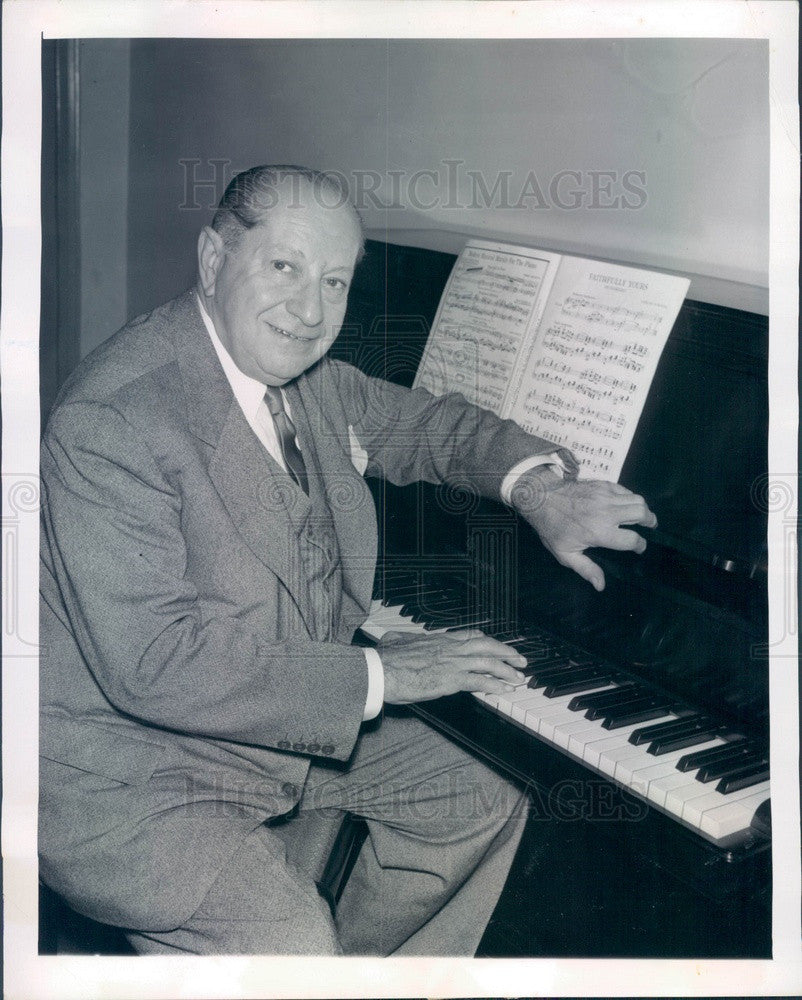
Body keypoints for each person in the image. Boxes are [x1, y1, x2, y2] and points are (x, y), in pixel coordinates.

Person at [39, 165, 657, 956]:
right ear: (211, 259)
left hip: (268, 725)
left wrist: (539, 489)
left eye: (334, 282)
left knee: (479, 792)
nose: (309, 311)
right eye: (284, 267)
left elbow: (431, 428)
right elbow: (156, 665)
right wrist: (383, 675)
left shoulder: (311, 382)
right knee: (294, 942)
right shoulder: (113, 418)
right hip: (134, 771)